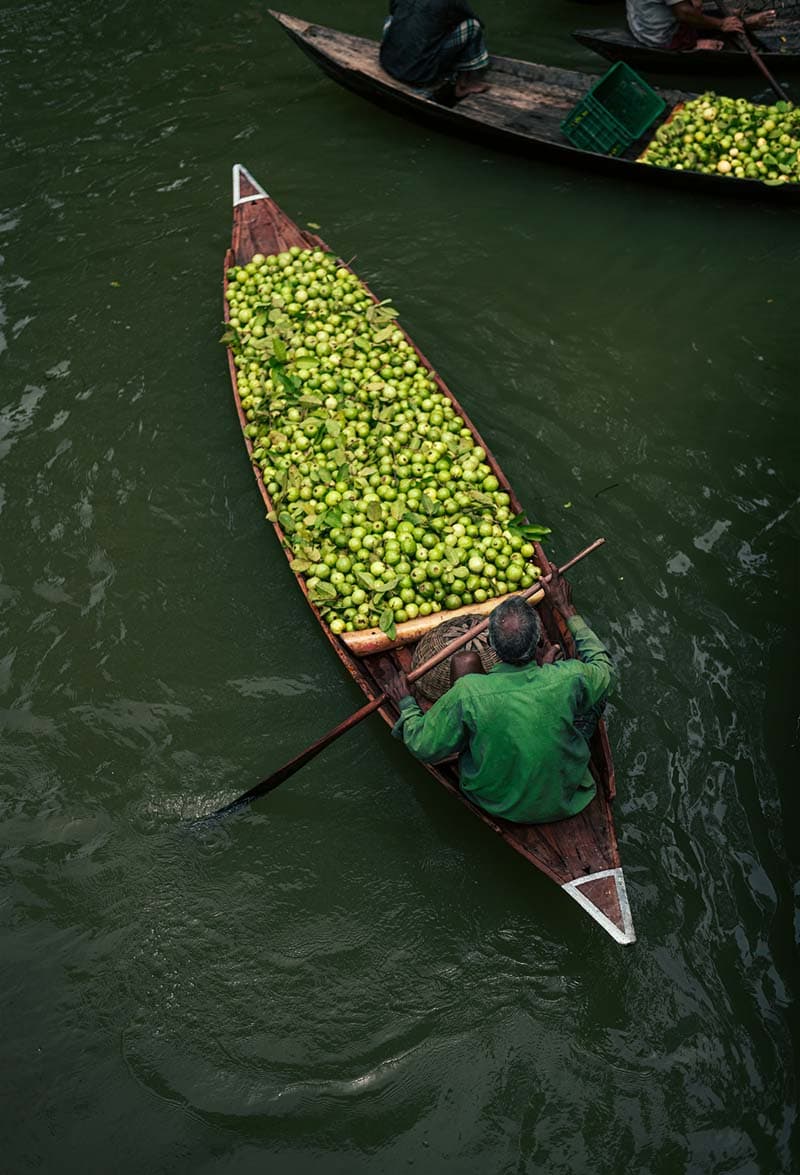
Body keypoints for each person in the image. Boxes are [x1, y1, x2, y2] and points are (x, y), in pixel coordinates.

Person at [386, 563, 615, 824]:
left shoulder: (468, 693)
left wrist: (406, 703)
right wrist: (565, 608)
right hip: (569, 796)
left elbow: (422, 746)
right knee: (597, 692)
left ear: (492, 645)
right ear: (539, 639)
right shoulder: (569, 676)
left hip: (495, 802)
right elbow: (604, 666)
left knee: (463, 669)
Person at [380, 0, 490, 99]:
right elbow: (478, 21)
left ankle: (396, 56)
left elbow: (395, 10)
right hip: (420, 74)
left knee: (392, 18)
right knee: (472, 26)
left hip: (387, 62)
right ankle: (465, 83)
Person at [626, 0, 775, 51]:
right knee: (717, 22)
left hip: (639, 24)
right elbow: (683, 13)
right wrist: (721, 24)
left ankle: (736, 21)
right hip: (661, 36)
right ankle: (690, 44)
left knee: (701, 11)